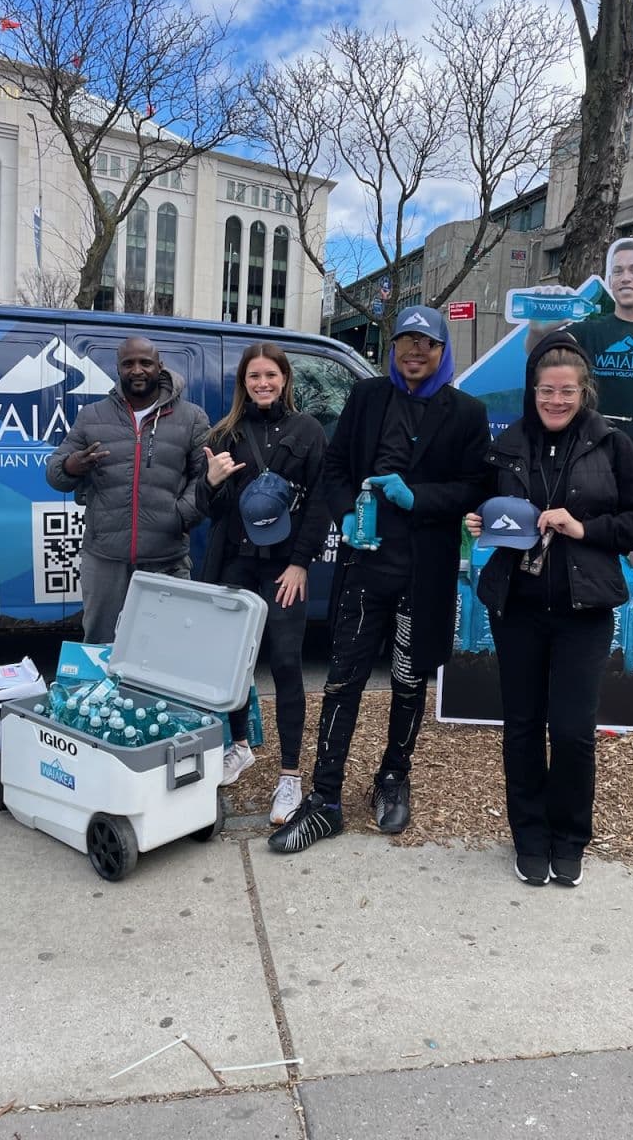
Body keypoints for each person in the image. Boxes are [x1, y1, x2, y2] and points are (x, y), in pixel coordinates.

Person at [268, 305, 491, 854]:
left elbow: (474, 485)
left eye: (427, 344)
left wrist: (419, 498)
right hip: (364, 570)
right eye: (406, 342)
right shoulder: (367, 399)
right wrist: (346, 512)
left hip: (423, 571)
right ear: (393, 348)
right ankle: (325, 801)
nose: (415, 352)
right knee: (343, 680)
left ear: (443, 351)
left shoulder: (465, 412)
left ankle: (394, 775)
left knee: (409, 680)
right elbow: (336, 468)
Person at [469, 332, 633, 888]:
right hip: (518, 609)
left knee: (574, 732)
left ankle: (570, 837)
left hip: (584, 611)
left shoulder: (612, 445)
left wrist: (585, 528)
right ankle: (529, 836)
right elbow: (486, 508)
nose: (555, 400)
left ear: (584, 392)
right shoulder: (504, 446)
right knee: (523, 728)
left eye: (567, 392)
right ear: (532, 391)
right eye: (546, 391)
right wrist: (479, 522)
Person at [197, 342, 329, 823]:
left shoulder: (309, 431)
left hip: (284, 569)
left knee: (288, 666)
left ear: (285, 378)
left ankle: (290, 778)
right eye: (254, 377)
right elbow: (209, 511)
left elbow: (321, 503)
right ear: (243, 383)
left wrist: (300, 564)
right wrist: (210, 482)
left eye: (270, 375)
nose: (263, 384)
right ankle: (238, 745)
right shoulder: (226, 432)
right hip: (235, 564)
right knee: (229, 666)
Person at [526, 238, 633, 594]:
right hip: (586, 467)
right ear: (609, 279)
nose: (626, 277)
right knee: (577, 556)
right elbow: (537, 358)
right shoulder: (589, 331)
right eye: (617, 271)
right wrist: (539, 323)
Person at [46, 336, 209, 643]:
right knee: (99, 645)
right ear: (117, 368)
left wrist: (179, 516)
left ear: (159, 366)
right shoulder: (92, 415)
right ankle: (100, 694)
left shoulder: (192, 417)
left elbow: (206, 480)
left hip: (166, 560)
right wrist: (71, 466)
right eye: (128, 363)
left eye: (145, 363)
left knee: (166, 647)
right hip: (105, 558)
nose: (137, 370)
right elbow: (54, 473)